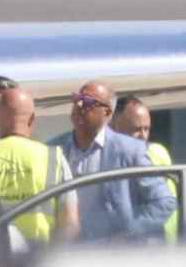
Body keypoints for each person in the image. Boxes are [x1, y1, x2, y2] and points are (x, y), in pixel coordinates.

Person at [49, 81, 176, 241]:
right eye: (77, 99)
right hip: (70, 252)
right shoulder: (53, 149)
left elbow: (164, 203)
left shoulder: (130, 150)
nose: (79, 106)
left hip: (115, 253)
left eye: (87, 102)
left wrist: (129, 233)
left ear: (107, 112)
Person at [0, 87, 79, 243]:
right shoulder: (53, 157)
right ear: (32, 119)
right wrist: (56, 254)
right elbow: (70, 222)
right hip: (40, 253)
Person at [111, 95, 179, 242]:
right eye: (136, 129)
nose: (143, 136)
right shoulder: (111, 157)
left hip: (153, 244)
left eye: (146, 129)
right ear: (114, 128)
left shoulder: (157, 152)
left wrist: (128, 234)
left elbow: (165, 203)